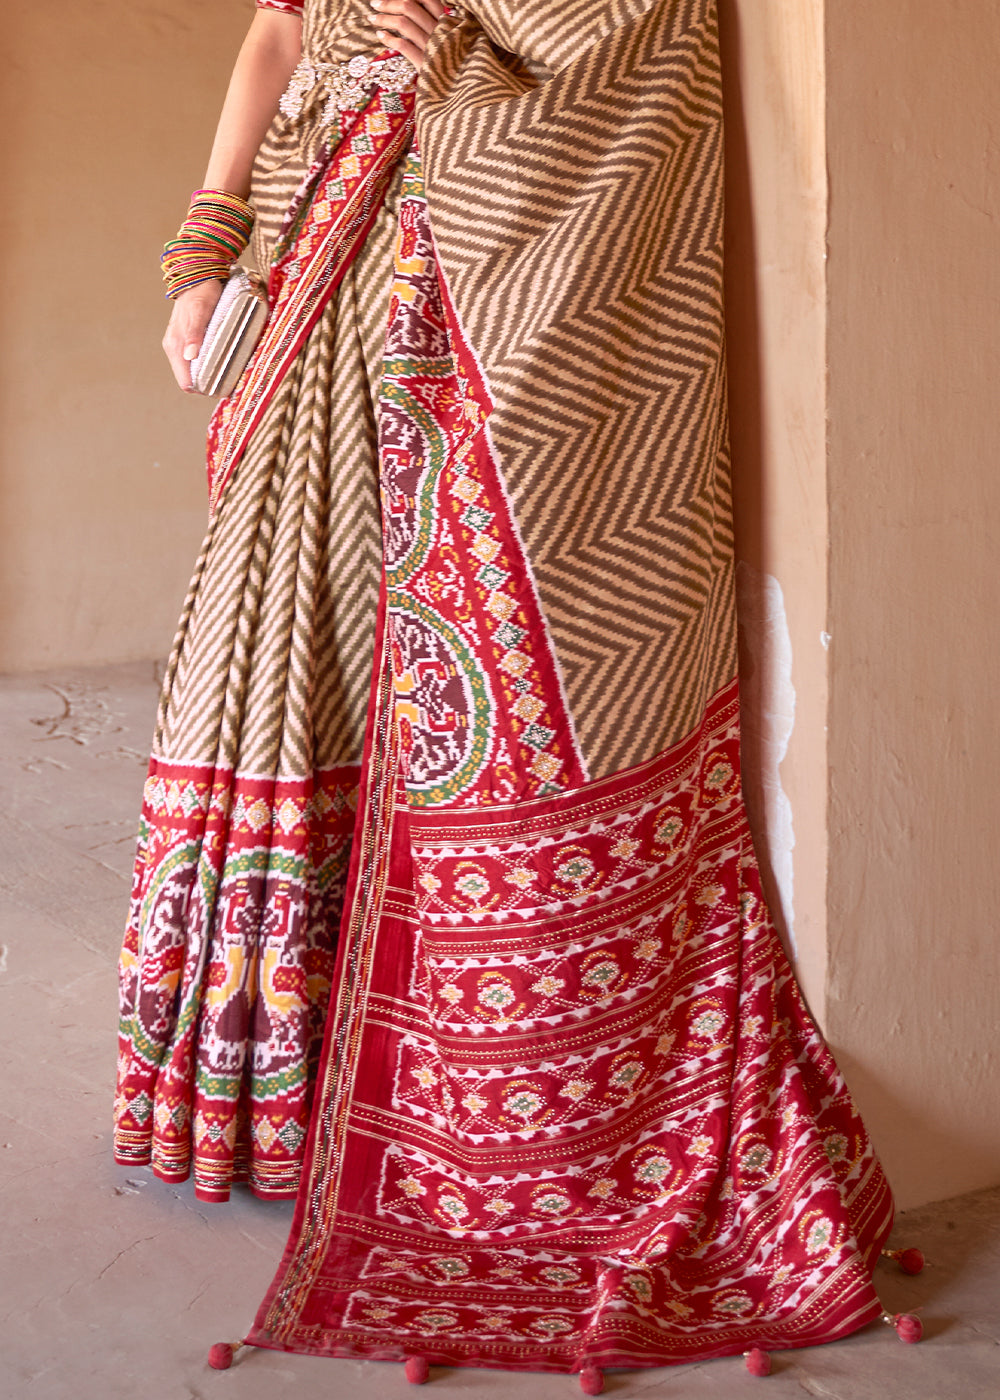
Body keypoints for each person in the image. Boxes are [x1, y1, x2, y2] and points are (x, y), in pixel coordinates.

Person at [117, 0, 908, 1379]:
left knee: (454, 694)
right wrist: (207, 243)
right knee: (267, 656)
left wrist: (471, 81)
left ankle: (454, 1097)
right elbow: (275, 28)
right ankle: (278, 1086)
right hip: (317, 263)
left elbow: (631, 51)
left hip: (474, 288)